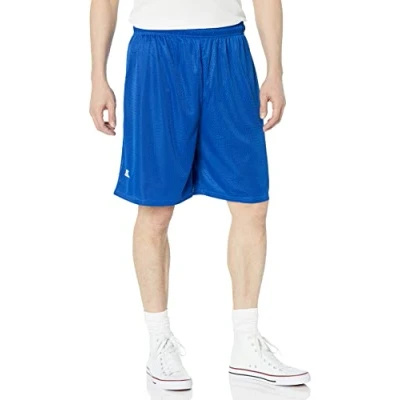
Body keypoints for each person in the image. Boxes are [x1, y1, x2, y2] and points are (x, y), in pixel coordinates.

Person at [89, 0, 310, 390]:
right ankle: (159, 342)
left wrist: (275, 70)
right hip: (156, 53)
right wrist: (97, 78)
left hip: (227, 50)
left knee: (251, 202)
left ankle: (246, 343)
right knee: (155, 210)